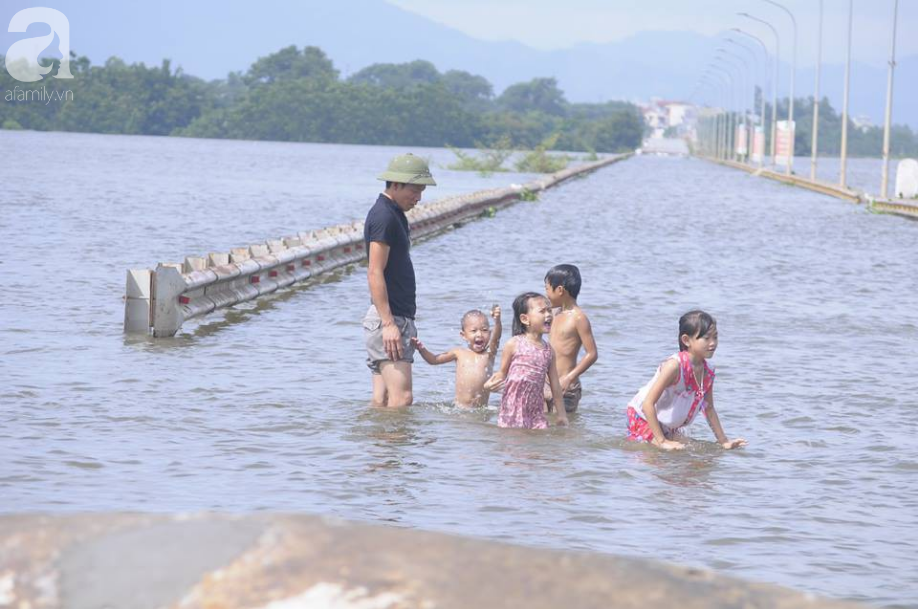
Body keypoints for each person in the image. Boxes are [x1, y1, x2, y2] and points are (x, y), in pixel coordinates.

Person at [362, 153, 436, 407]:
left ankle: (380, 448)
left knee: (382, 399)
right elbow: (374, 271)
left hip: (389, 316)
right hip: (390, 318)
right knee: (402, 399)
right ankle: (399, 446)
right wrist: (389, 323)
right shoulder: (384, 216)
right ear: (395, 184)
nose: (418, 198)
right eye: (414, 191)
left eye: (422, 191)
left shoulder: (394, 214)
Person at [626, 310, 747, 450]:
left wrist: (724, 441)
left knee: (691, 450)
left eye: (715, 337)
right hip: (642, 417)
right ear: (686, 340)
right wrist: (661, 441)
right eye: (706, 338)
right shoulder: (674, 366)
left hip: (665, 422)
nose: (713, 343)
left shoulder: (708, 371)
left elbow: (708, 408)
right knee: (664, 457)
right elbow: (648, 403)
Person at [485, 293, 569, 429]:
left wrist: (562, 414)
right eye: (542, 311)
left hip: (536, 412)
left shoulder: (548, 351)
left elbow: (555, 385)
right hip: (512, 411)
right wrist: (488, 386)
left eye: (549, 310)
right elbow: (501, 374)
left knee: (537, 446)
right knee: (513, 445)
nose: (548, 314)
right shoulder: (514, 344)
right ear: (525, 319)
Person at [411, 305, 502, 407]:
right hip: (460, 409)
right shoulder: (458, 353)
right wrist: (421, 349)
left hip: (480, 411)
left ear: (489, 333)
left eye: (484, 330)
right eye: (473, 331)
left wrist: (497, 321)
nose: (479, 334)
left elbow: (496, 338)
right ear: (463, 335)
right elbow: (434, 360)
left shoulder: (489, 354)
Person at [543, 264, 598, 413]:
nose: (546, 293)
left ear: (560, 290)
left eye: (547, 288)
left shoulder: (578, 318)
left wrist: (569, 377)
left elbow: (592, 354)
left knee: (562, 432)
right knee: (540, 429)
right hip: (546, 382)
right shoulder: (553, 314)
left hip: (566, 386)